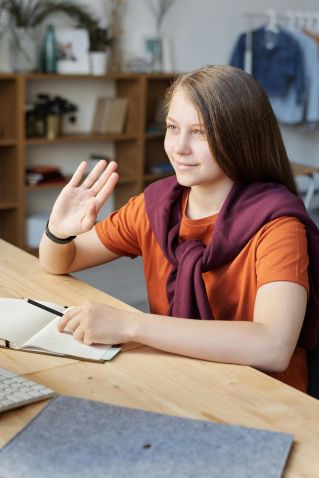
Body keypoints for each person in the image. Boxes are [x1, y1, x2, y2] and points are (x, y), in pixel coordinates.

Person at [39, 65, 319, 394]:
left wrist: (131, 324)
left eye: (200, 132)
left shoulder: (278, 226)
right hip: (179, 379)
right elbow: (62, 260)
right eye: (173, 127)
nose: (179, 147)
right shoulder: (157, 206)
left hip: (265, 397)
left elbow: (272, 347)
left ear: (239, 137)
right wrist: (59, 230)